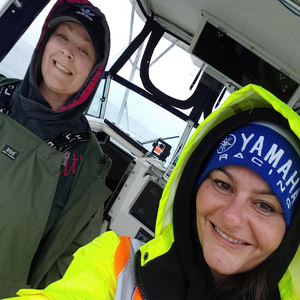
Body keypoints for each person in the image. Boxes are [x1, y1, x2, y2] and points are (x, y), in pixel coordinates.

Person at [6, 84, 300, 300]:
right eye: (223, 185)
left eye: (264, 206)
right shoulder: (117, 265)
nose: (233, 218)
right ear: (193, 185)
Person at [0, 0, 111, 297]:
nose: (68, 52)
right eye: (62, 36)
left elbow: (67, 265)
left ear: (94, 72)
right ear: (45, 41)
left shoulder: (87, 164)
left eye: (84, 50)